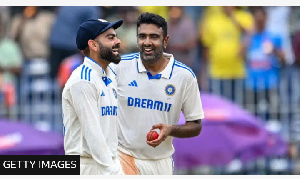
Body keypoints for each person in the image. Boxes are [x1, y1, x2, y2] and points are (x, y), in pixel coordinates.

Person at [111, 12, 204, 175]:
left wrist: (170, 130)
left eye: (154, 37)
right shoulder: (119, 67)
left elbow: (196, 126)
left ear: (165, 40)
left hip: (161, 164)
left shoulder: (184, 76)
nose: (147, 42)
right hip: (123, 158)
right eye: (142, 36)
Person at [62, 18, 124, 175]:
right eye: (110, 38)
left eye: (115, 36)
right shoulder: (82, 80)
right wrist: (113, 172)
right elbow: (93, 133)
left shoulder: (110, 75)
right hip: (86, 166)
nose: (118, 41)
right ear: (93, 45)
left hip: (107, 163)